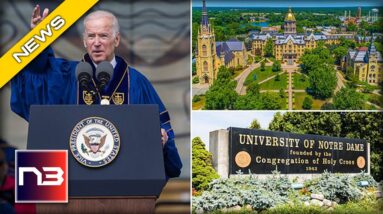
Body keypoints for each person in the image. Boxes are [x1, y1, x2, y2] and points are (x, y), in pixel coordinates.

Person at [11, 5, 182, 178]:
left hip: (125, 181)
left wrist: (162, 140)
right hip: (73, 180)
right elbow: (37, 74)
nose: (97, 42)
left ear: (116, 40)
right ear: (85, 41)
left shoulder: (136, 83)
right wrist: (38, 39)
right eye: (91, 36)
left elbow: (161, 132)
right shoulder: (65, 76)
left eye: (103, 35)